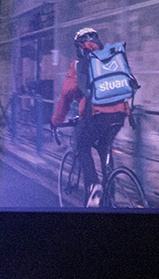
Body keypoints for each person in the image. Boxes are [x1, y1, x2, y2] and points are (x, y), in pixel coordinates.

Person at [51, 27, 132, 207]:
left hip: (95, 116)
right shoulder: (111, 56)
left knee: (82, 145)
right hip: (120, 114)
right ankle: (110, 196)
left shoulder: (78, 64)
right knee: (105, 146)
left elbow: (66, 94)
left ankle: (94, 187)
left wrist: (56, 121)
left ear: (79, 47)